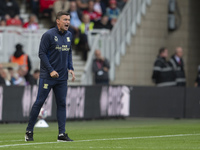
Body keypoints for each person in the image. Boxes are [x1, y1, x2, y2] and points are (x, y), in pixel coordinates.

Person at [25, 11, 75, 142]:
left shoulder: (69, 35)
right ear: (58, 21)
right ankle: (29, 131)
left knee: (62, 104)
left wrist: (71, 68)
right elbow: (41, 53)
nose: (67, 22)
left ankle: (61, 134)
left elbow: (69, 52)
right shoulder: (48, 35)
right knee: (39, 102)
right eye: (65, 19)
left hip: (62, 77)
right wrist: (51, 70)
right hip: (48, 76)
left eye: (69, 20)